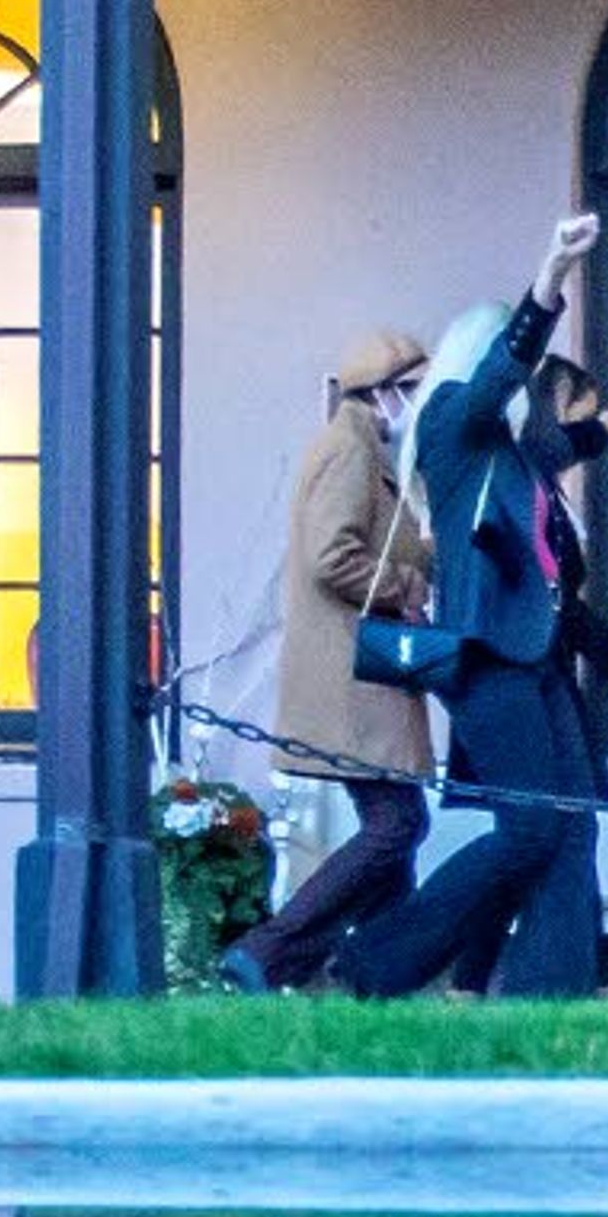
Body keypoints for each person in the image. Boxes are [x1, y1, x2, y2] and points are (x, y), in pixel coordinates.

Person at [330, 216, 608, 1001]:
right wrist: (550, 276)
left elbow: (564, 449)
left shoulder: (509, 453)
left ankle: (553, 990)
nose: (534, 382)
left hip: (535, 661)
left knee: (572, 826)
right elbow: (500, 377)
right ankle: (374, 962)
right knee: (533, 829)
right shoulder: (451, 424)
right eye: (526, 366)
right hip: (486, 660)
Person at [222, 333, 441, 992]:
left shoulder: (360, 450)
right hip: (353, 679)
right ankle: (269, 951)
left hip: (359, 677)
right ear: (385, 393)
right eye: (415, 390)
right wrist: (408, 585)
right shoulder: (349, 452)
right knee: (397, 824)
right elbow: (332, 558)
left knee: (394, 835)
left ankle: (377, 979)